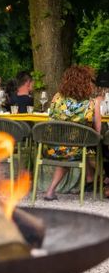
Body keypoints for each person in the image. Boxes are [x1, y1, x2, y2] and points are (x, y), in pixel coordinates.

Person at [43, 65, 101, 201]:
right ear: (86, 83)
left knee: (67, 148)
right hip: (76, 150)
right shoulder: (92, 104)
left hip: (50, 148)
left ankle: (51, 191)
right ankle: (97, 179)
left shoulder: (56, 98)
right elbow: (97, 133)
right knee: (82, 148)